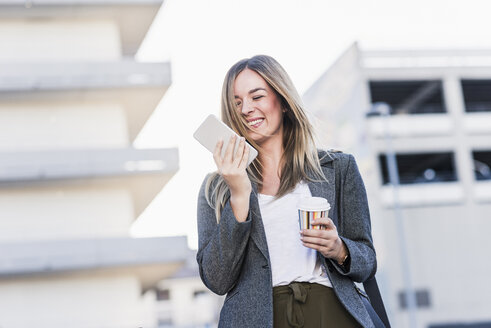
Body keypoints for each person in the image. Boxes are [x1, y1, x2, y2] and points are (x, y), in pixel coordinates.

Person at [196, 55, 378, 328]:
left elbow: (367, 261)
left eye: (257, 97)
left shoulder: (339, 168)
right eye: (237, 103)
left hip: (332, 312)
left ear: (281, 100)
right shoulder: (216, 189)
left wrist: (339, 248)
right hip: (257, 319)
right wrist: (238, 194)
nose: (246, 109)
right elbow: (217, 279)